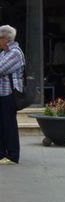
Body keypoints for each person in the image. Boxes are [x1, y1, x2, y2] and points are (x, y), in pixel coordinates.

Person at [0, 25, 25, 165]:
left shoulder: (15, 52)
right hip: (1, 93)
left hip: (9, 93)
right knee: (1, 125)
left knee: (9, 124)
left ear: (6, 39)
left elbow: (1, 68)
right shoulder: (4, 53)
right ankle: (1, 153)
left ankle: (13, 155)